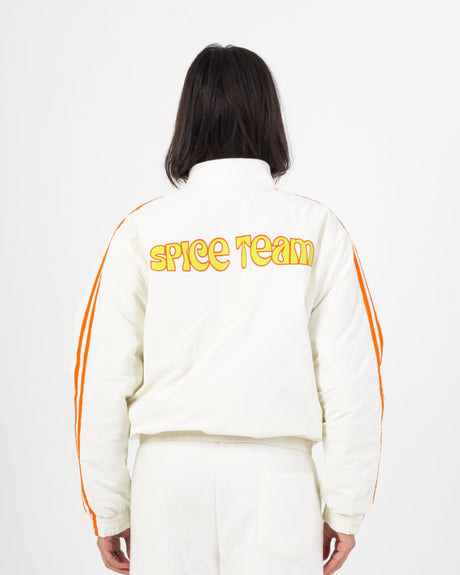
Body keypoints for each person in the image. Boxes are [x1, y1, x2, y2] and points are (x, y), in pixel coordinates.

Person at [72, 43, 384, 575]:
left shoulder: (143, 231)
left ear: (187, 120)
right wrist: (346, 505)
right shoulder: (316, 229)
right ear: (270, 117)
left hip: (166, 481)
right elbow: (352, 379)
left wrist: (109, 508)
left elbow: (101, 379)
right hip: (278, 479)